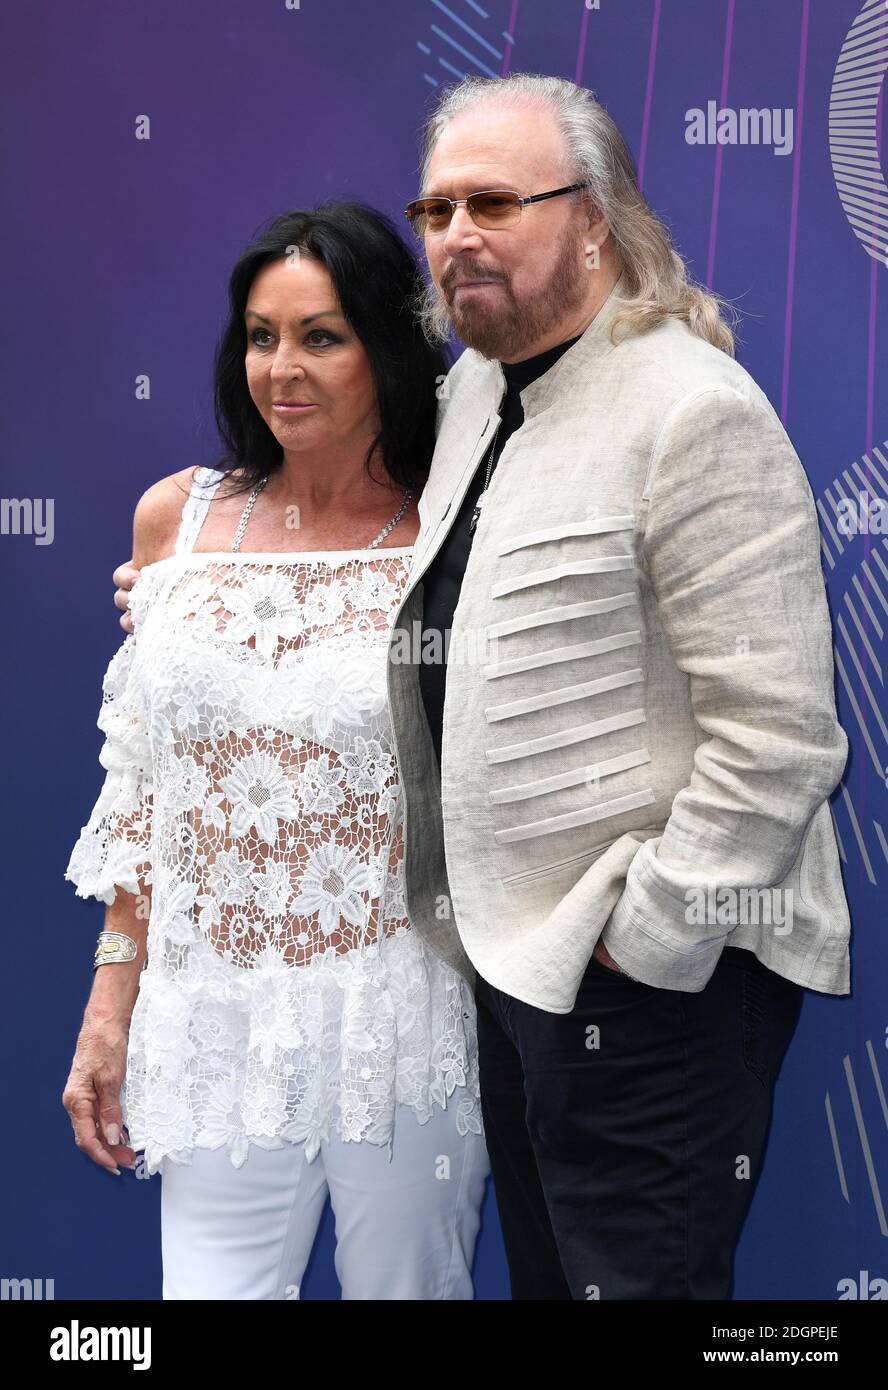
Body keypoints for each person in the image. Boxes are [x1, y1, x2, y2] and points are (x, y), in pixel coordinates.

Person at [113, 74, 852, 1302]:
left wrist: (648, 934)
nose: (457, 235)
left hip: (652, 987)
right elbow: (334, 567)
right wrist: (185, 609)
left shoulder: (692, 411)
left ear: (598, 219)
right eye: (439, 208)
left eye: (497, 202)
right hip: (512, 988)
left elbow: (779, 738)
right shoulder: (473, 396)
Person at [62, 202, 489, 1301]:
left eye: (321, 335)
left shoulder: (455, 532)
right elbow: (143, 792)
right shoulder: (179, 523)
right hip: (210, 1020)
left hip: (403, 1018)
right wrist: (112, 1005)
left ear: (388, 347)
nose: (282, 369)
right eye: (261, 335)